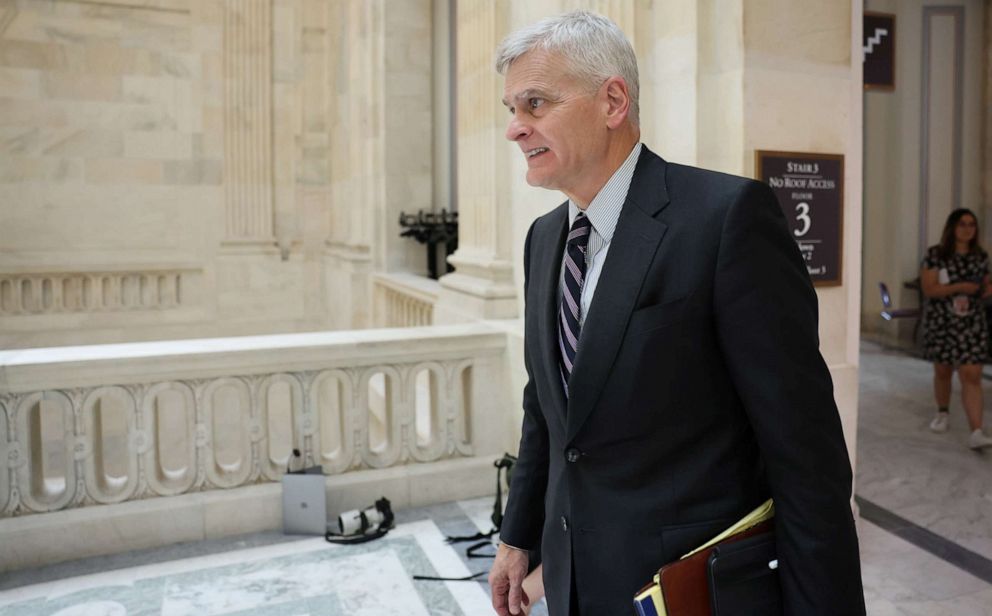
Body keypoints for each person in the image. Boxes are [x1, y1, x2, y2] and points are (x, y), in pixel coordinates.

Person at [486, 11, 866, 616]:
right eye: (511, 109)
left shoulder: (725, 219)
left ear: (612, 101)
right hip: (575, 585)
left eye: (535, 104)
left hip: (690, 588)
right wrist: (518, 534)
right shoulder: (543, 239)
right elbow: (549, 412)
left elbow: (806, 455)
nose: (515, 128)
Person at [920, 208, 992, 450]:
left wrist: (984, 290)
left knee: (971, 374)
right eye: (962, 224)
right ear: (952, 227)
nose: (967, 228)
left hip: (972, 323)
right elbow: (929, 289)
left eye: (972, 224)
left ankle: (977, 430)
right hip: (943, 322)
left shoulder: (980, 256)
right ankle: (942, 412)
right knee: (943, 371)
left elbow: (985, 284)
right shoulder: (935, 255)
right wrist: (960, 286)